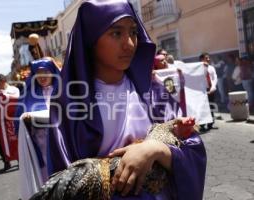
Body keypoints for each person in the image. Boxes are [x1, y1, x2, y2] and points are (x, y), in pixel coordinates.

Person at [46, 1, 206, 200]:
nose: (129, 44)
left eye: (133, 32)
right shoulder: (68, 102)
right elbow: (63, 182)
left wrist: (155, 149)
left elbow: (192, 144)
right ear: (90, 39)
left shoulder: (151, 90)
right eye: (116, 33)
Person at [16, 58, 60, 182]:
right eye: (38, 73)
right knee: (46, 172)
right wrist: (25, 119)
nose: (42, 76)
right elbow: (20, 116)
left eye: (45, 72)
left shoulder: (64, 89)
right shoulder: (28, 94)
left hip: (62, 136)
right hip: (41, 140)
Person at [0, 74, 20, 170]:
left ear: (3, 81)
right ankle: (7, 160)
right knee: (3, 141)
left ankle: (19, 158)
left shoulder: (14, 89)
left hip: (14, 118)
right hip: (3, 121)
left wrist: (5, 95)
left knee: (16, 139)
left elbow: (17, 99)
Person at [199, 53, 218, 131]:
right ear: (201, 59)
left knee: (211, 106)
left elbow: (214, 78)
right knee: (203, 108)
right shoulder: (198, 68)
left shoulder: (211, 68)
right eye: (206, 58)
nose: (208, 59)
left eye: (209, 58)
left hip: (211, 89)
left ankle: (210, 124)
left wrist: (213, 87)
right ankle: (202, 125)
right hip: (202, 90)